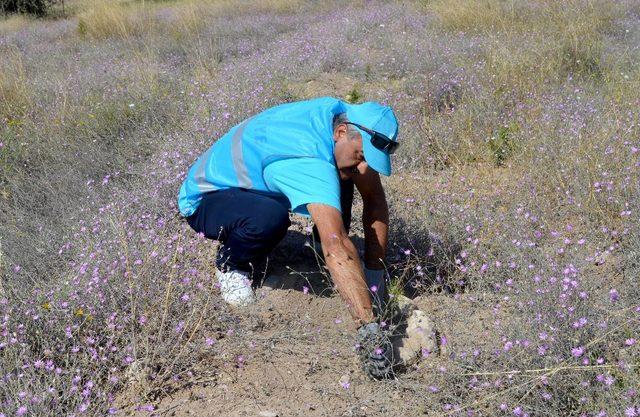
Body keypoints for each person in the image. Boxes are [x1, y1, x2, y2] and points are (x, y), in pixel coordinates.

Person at [178, 96, 400, 378]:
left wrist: (374, 275)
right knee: (269, 219)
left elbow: (375, 201)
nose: (363, 165)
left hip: (257, 178)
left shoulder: (342, 117)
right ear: (342, 132)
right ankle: (231, 265)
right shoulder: (308, 156)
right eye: (361, 154)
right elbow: (338, 245)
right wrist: (368, 328)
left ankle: (321, 245)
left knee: (344, 171)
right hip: (208, 197)